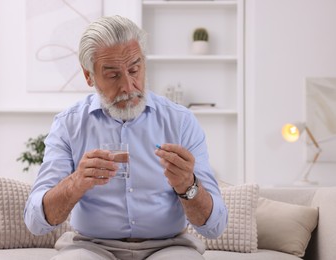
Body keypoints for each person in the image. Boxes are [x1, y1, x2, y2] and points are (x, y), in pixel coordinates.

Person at [24, 15, 228, 260]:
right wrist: (75, 182)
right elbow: (36, 223)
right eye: (113, 75)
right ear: (89, 76)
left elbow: (214, 227)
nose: (129, 87)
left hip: (168, 246)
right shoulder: (68, 124)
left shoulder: (181, 122)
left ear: (144, 63)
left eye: (134, 69)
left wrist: (188, 185)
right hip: (90, 247)